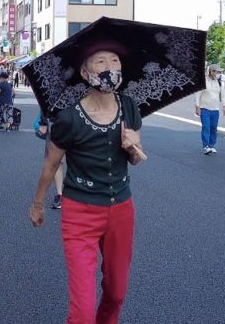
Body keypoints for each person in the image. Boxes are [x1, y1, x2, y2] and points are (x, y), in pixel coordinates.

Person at [30, 43, 145, 324]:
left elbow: (136, 159)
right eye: (100, 62)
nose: (109, 68)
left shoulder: (129, 106)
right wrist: (38, 204)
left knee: (116, 294)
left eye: (115, 61)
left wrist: (132, 148)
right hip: (79, 213)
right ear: (84, 72)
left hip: (121, 209)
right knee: (82, 312)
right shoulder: (69, 118)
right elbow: (52, 163)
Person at [194, 64, 225, 155]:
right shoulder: (204, 81)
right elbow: (197, 94)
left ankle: (212, 145)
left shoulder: (219, 82)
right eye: (217, 72)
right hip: (204, 108)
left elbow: (223, 94)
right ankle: (206, 146)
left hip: (215, 109)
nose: (219, 74)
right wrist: (197, 106)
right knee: (206, 127)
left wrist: (224, 105)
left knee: (214, 128)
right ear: (212, 72)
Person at [34, 113, 64, 209]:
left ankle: (62, 195)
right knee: (55, 160)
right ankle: (60, 194)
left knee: (56, 161)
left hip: (60, 121)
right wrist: (43, 122)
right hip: (57, 122)